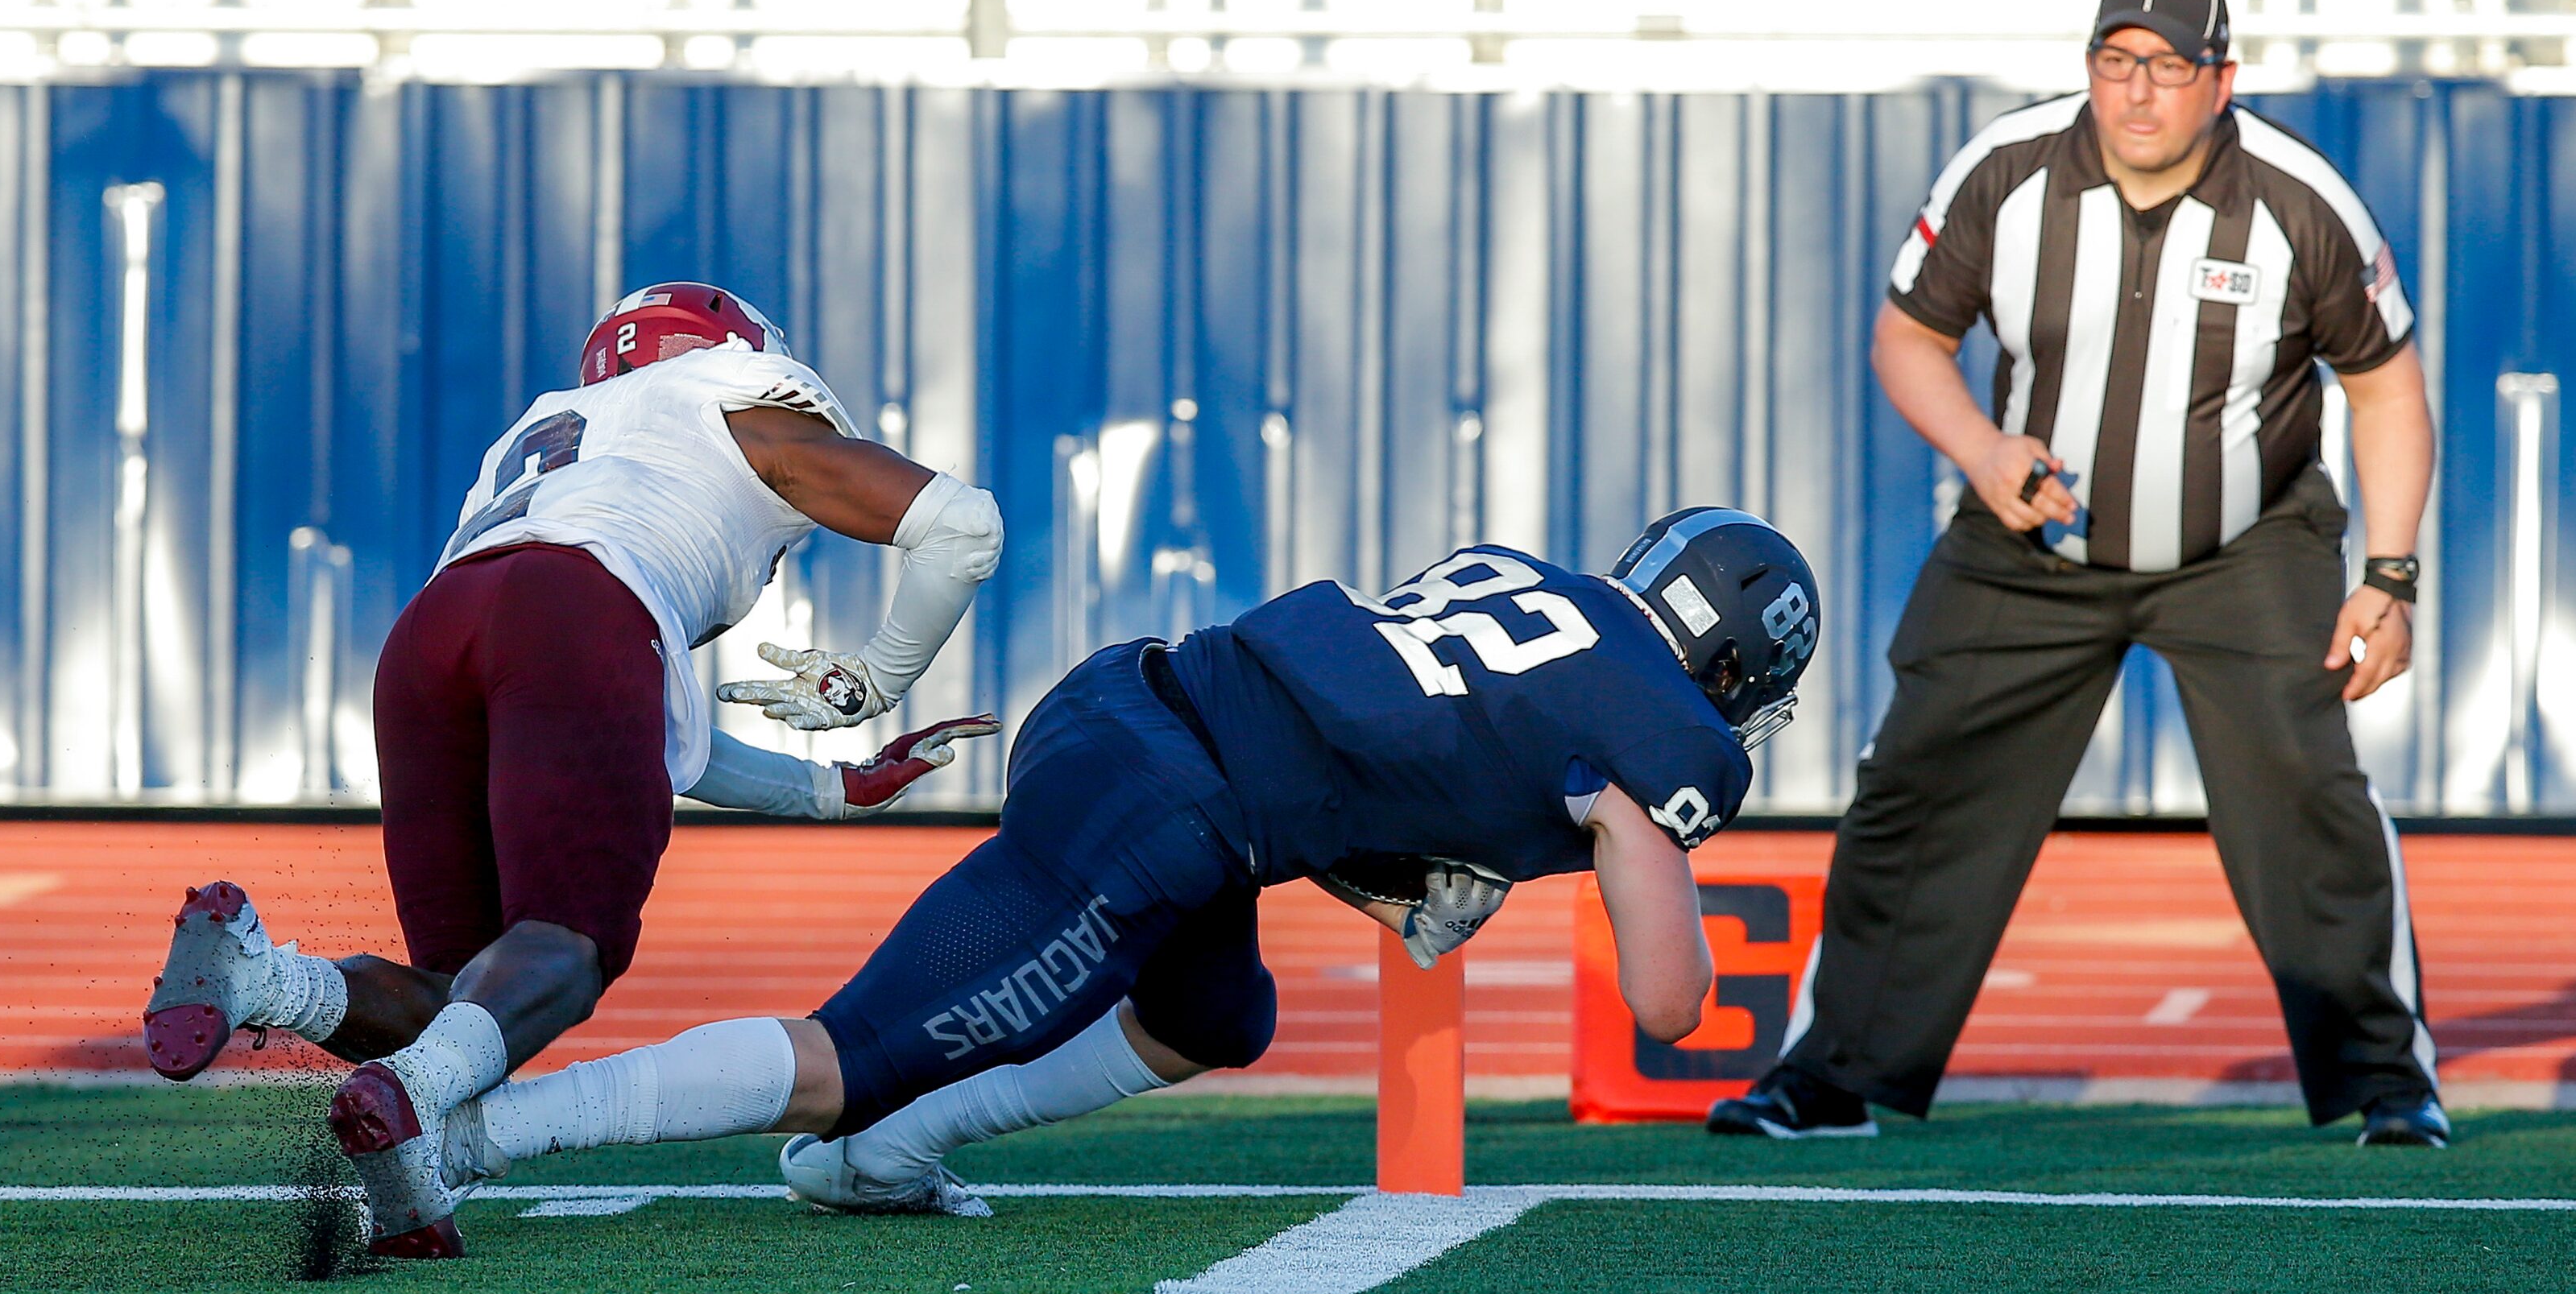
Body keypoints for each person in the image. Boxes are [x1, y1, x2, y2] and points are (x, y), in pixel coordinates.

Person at [360, 508, 1823, 1243]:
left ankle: (890, 1153)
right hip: (1170, 803)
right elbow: (1671, 997)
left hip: (1133, 703)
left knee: (1215, 1013)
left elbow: (1384, 710)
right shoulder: (1671, 728)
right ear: (1739, 664)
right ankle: (482, 1140)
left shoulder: (1529, 574)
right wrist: (1642, 837)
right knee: (847, 1052)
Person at [1709, 0, 2448, 1147]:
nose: (2136, 92)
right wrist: (1976, 451)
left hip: (2242, 543)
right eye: (2114, 61)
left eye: (2166, 65)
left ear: (2220, 78)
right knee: (1916, 776)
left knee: (2302, 791)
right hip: (2029, 536)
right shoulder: (2003, 172)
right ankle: (1833, 1071)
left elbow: (2385, 390)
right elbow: (1905, 338)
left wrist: (2391, 576)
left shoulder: (2301, 202)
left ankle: (2383, 1075)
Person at [139, 282, 1004, 1254]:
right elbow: (964, 527)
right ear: (729, 348)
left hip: (430, 637)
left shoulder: (550, 435)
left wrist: (832, 789)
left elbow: (617, 720)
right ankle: (410, 1098)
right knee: (569, 946)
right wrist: (873, 680)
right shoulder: (736, 393)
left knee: (465, 992)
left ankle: (267, 984)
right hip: (583, 614)